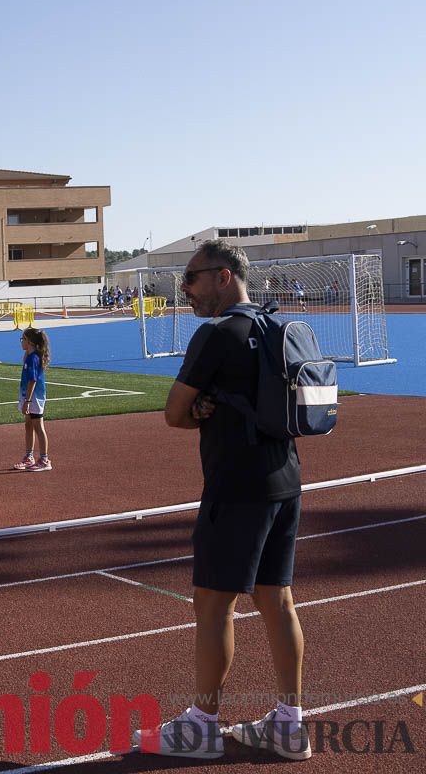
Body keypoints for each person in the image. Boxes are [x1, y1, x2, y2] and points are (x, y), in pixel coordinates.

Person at [135, 240, 310, 759]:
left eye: (191, 279)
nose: (184, 290)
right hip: (285, 477)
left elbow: (174, 411)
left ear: (224, 277)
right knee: (277, 599)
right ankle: (288, 723)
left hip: (236, 484)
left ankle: (203, 726)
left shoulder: (217, 334)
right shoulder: (275, 327)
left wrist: (200, 411)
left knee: (213, 603)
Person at [13, 328, 51, 472]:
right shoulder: (29, 356)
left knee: (38, 427)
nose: (21, 342)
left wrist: (27, 401)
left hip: (34, 397)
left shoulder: (33, 358)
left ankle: (44, 459)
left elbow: (32, 380)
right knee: (28, 425)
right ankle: (29, 457)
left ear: (29, 342)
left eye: (23, 339)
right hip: (28, 396)